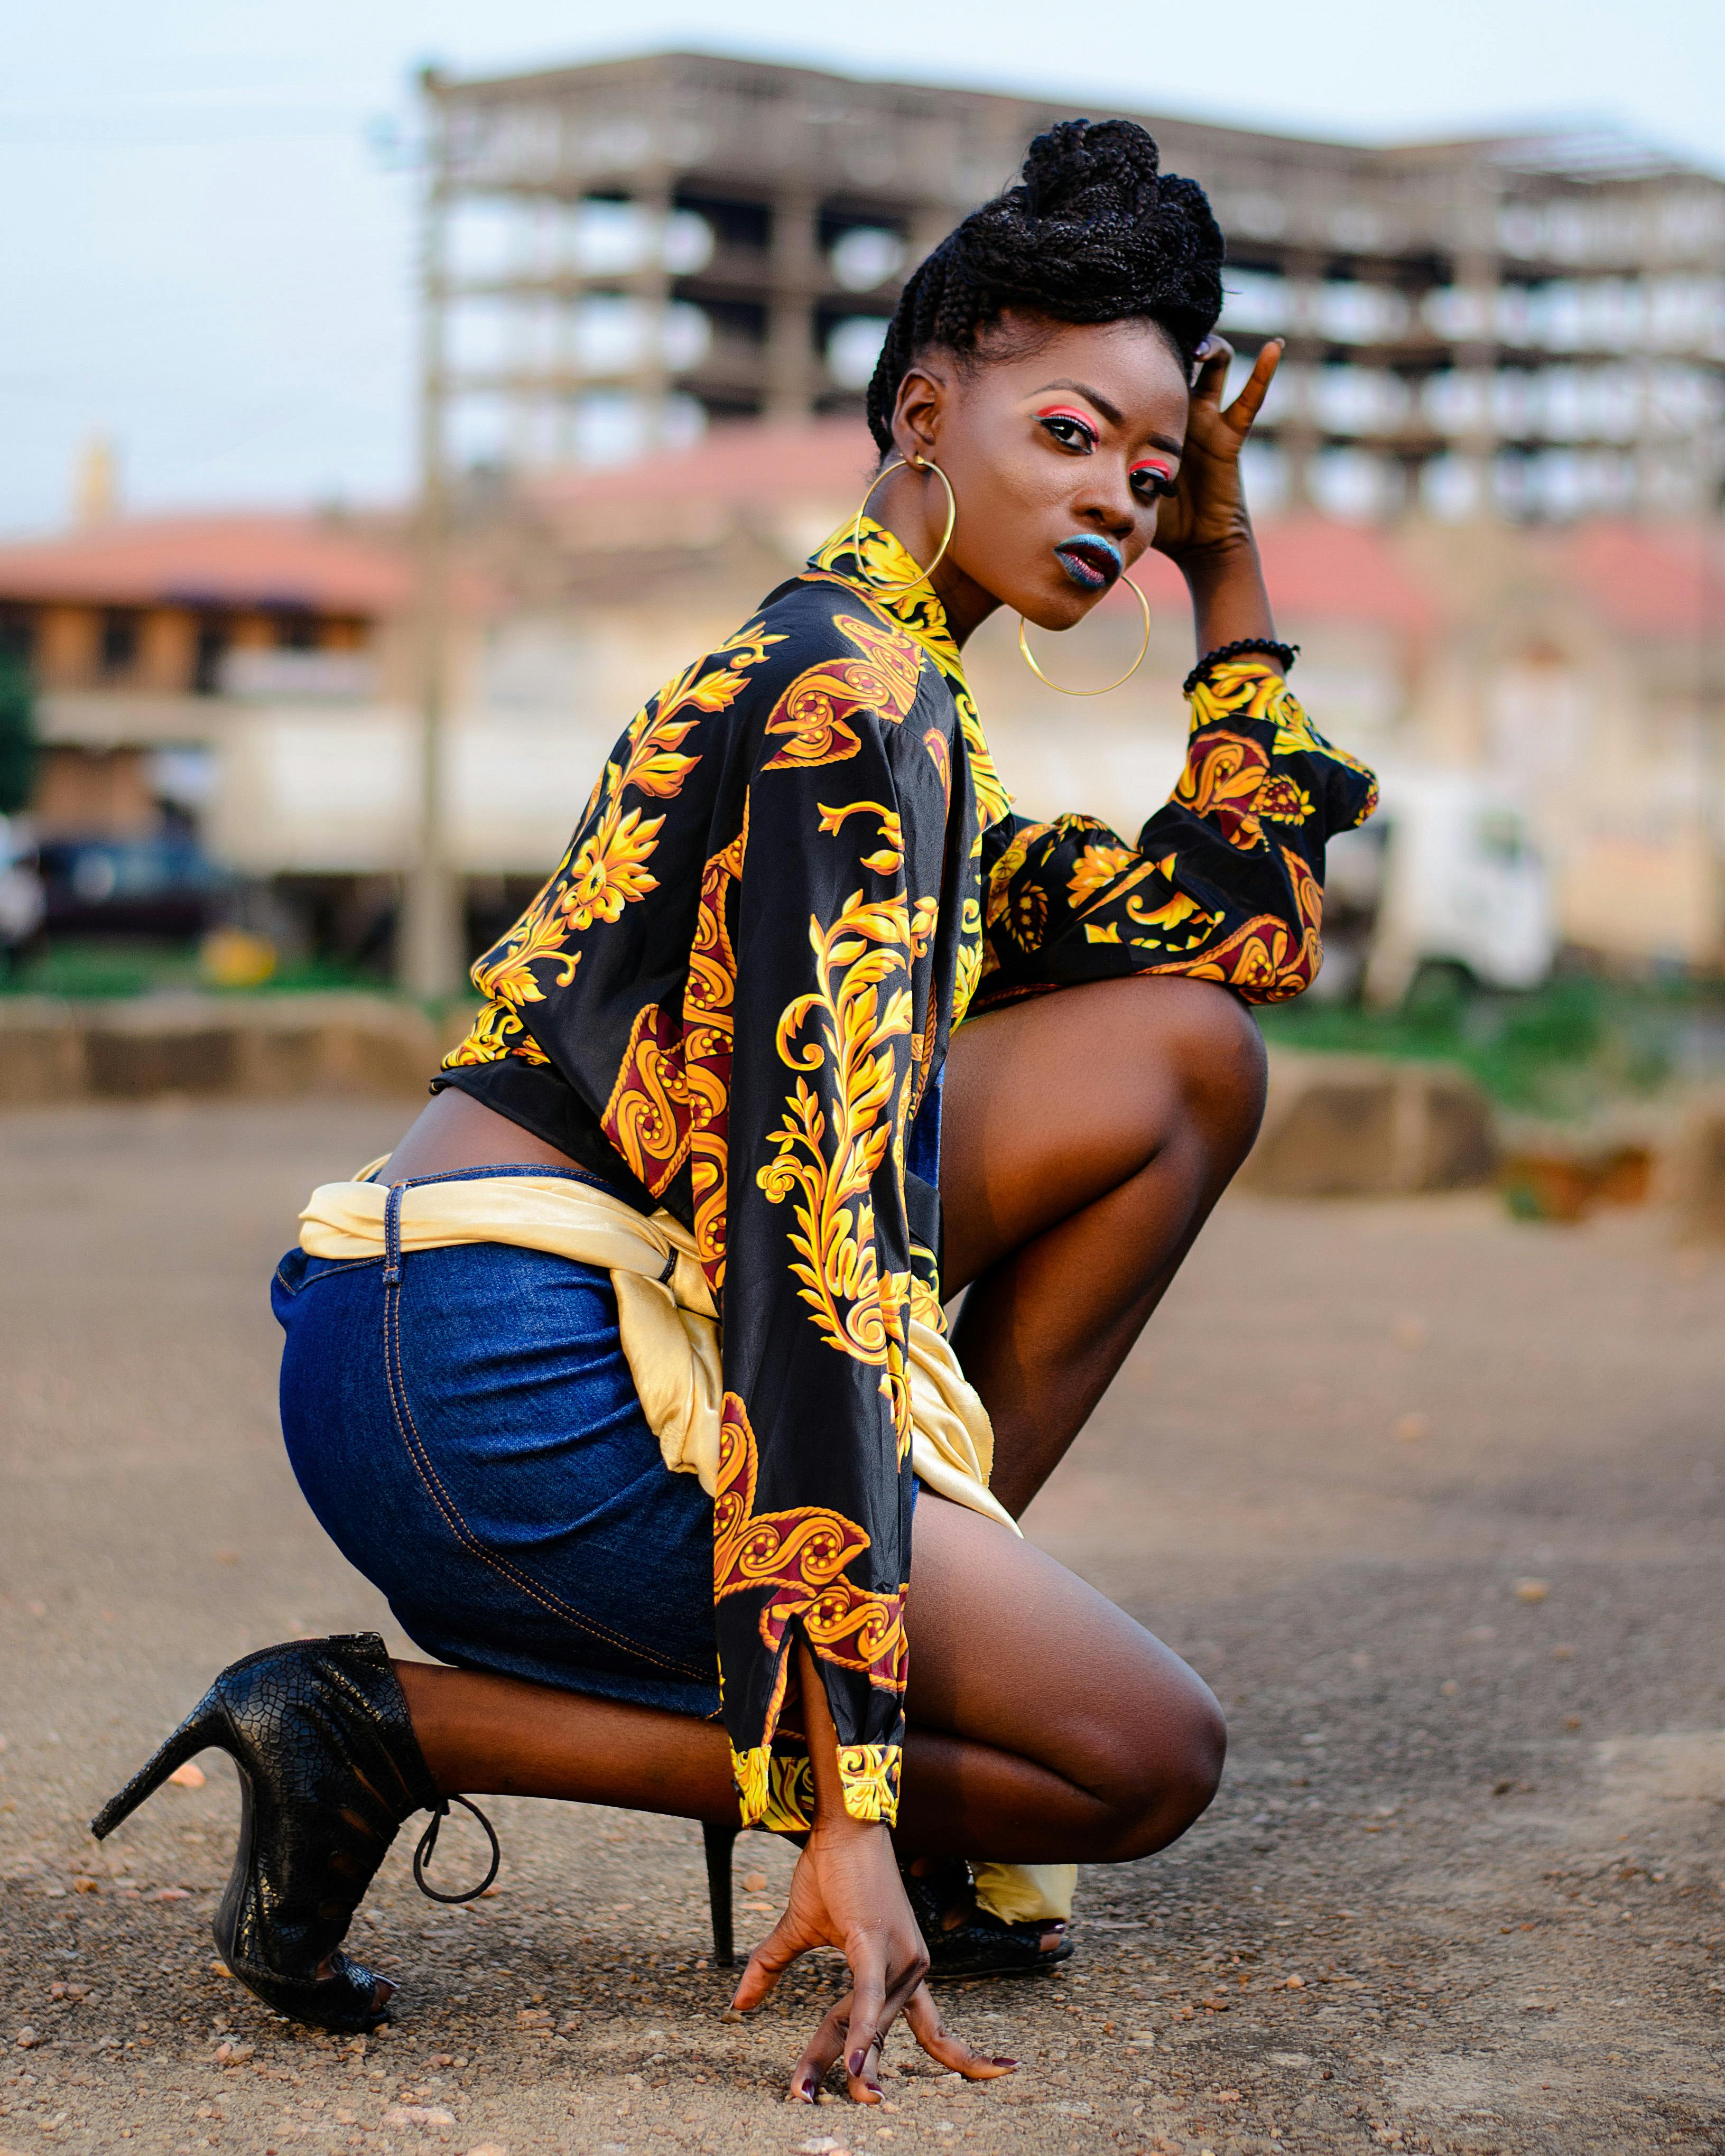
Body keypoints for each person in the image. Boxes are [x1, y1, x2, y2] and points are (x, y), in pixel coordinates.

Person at [94, 117, 1376, 2105]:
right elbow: (811, 1242)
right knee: (1140, 1762)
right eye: (1067, 435)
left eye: (1147, 461)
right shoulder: (843, 712)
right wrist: (845, 1807)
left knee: (1189, 1055)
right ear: (921, 408)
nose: (1116, 497)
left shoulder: (900, 705)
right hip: (498, 1380)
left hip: (447, 1351)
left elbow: (1243, 931)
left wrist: (1228, 551)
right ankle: (399, 1729)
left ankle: (864, 1710)